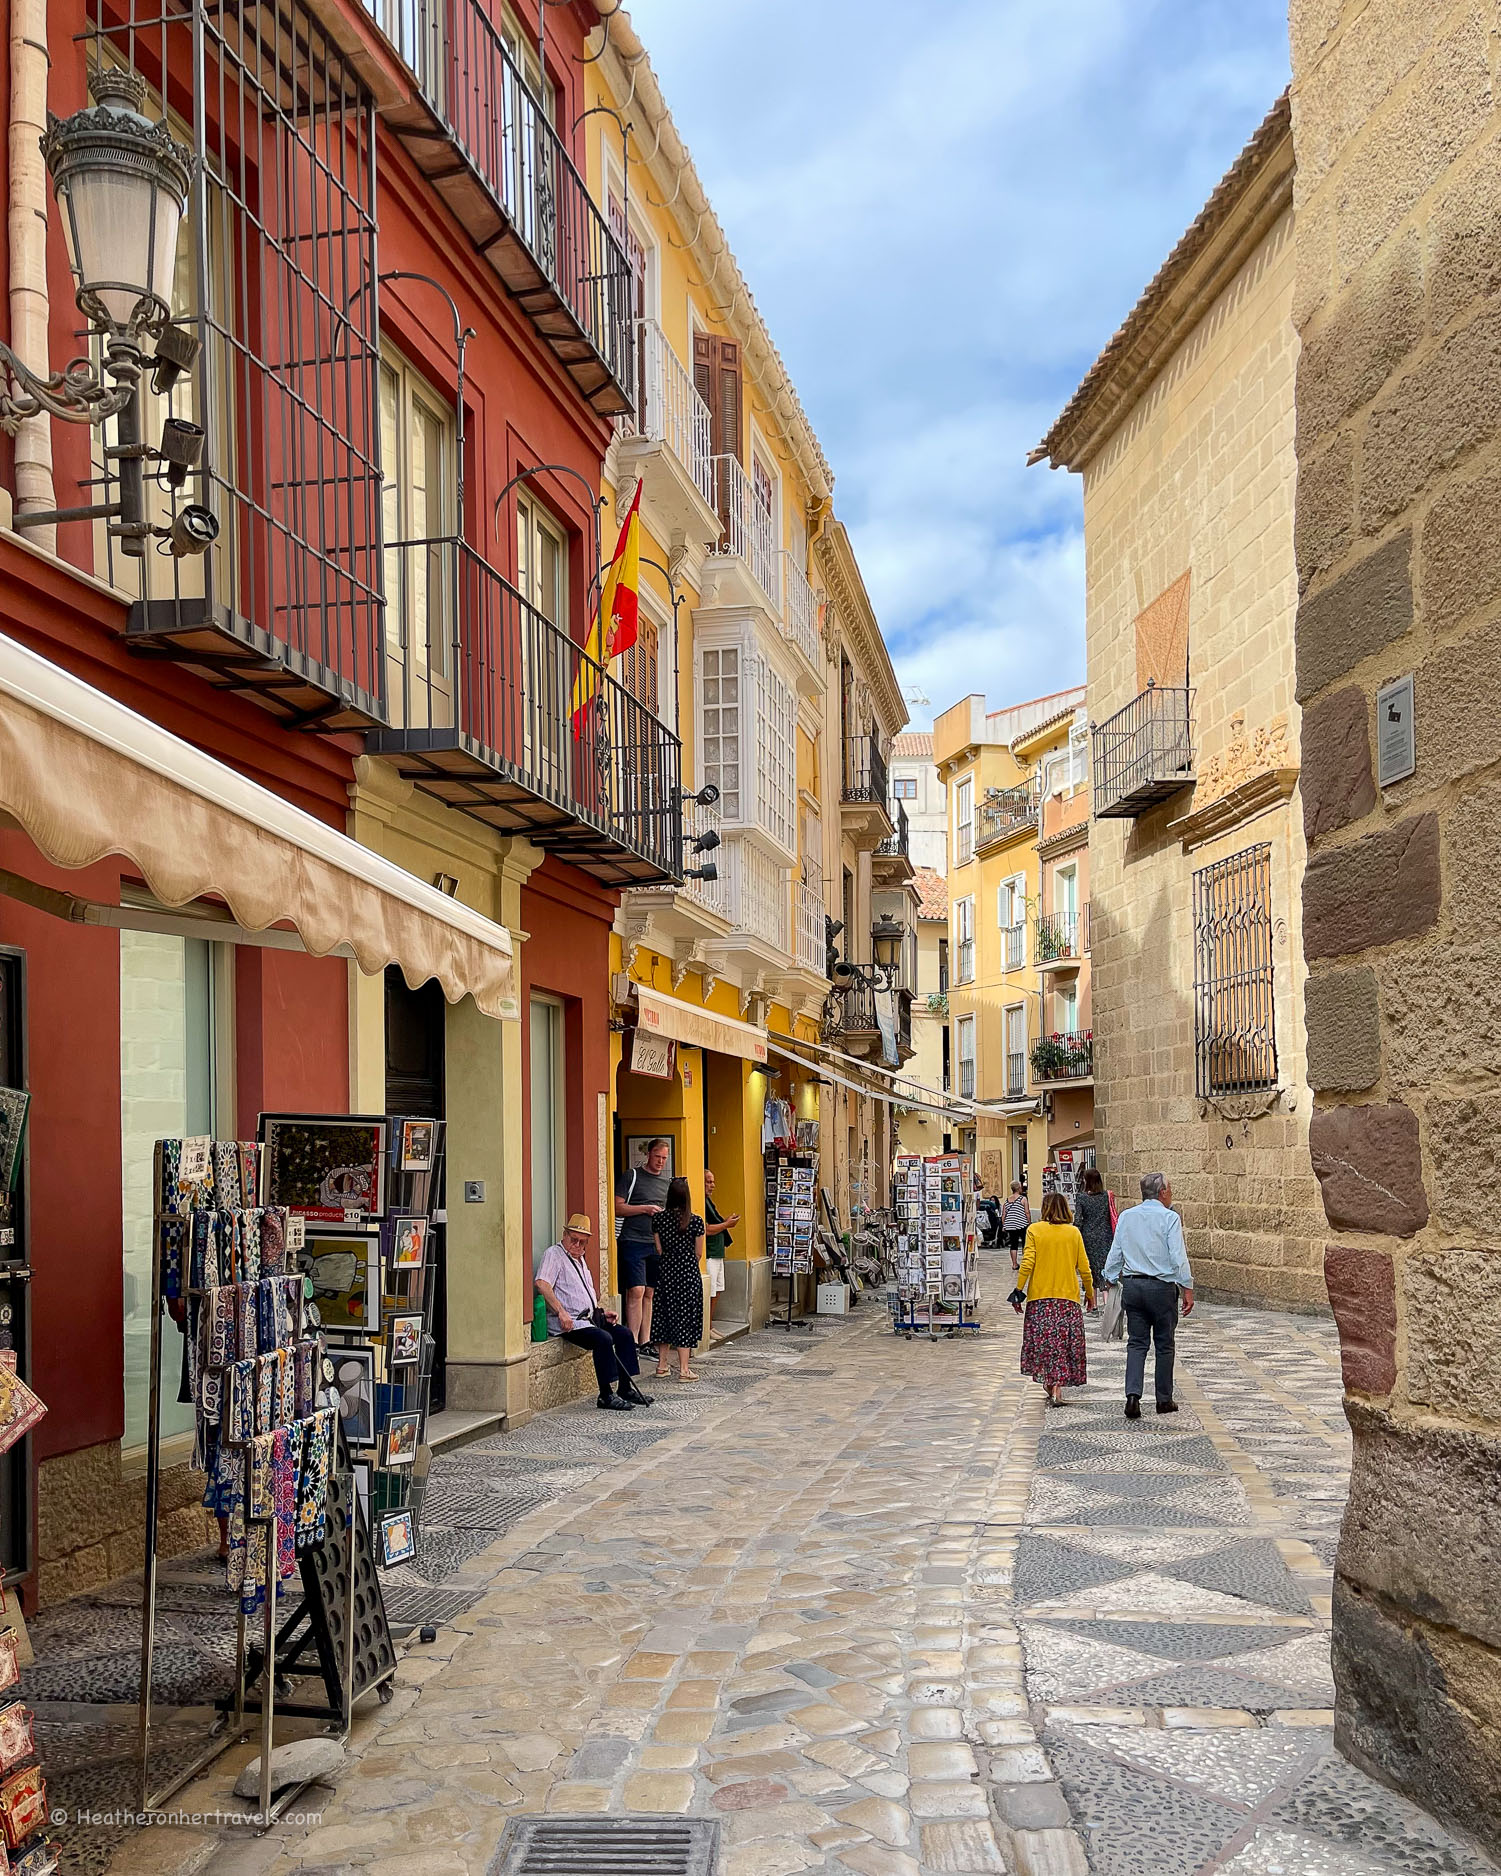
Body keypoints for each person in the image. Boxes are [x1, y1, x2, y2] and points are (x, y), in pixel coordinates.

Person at [534, 1214, 653, 1412]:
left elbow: (582, 1293)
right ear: (565, 1235)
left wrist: (602, 1313)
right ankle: (605, 1395)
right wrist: (561, 1312)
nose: (577, 1246)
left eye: (582, 1242)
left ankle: (625, 1388)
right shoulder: (554, 1255)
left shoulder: (580, 1259)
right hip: (569, 1322)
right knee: (603, 1339)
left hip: (589, 1318)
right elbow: (542, 1284)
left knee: (624, 1334)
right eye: (574, 1240)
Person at [1102, 1171, 1195, 1418]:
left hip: (1133, 1286)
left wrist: (1109, 1277)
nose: (1171, 1194)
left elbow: (1116, 1251)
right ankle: (1163, 1399)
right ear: (1162, 1192)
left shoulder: (1127, 1217)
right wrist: (1187, 1287)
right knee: (1164, 1344)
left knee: (1137, 1343)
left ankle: (1133, 1396)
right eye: (1170, 1189)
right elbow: (1178, 1256)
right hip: (1161, 1288)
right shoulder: (1169, 1218)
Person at [1015, 1191, 1095, 1405]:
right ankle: (1057, 1388)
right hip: (1067, 1299)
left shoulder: (1035, 1230)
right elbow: (1084, 1268)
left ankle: (1051, 1384)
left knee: (1045, 1344)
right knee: (1063, 1345)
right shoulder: (1073, 1233)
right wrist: (1090, 1293)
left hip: (1040, 1299)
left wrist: (1018, 1290)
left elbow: (1028, 1262)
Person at [614, 1138, 671, 1356]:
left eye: (664, 1158)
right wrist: (645, 1209)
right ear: (648, 1154)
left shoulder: (666, 1184)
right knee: (635, 1290)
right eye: (657, 1157)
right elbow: (618, 1208)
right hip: (633, 1240)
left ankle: (645, 1341)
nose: (660, 1162)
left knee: (649, 1292)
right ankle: (632, 1341)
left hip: (655, 1243)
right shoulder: (632, 1175)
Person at [650, 1176, 706, 1382]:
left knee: (663, 1316)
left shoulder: (658, 1219)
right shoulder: (696, 1221)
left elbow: (658, 1248)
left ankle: (662, 1365)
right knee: (685, 1318)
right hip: (688, 1275)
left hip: (666, 1273)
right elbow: (698, 1252)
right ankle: (684, 1369)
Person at [703, 1168, 740, 1341]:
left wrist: (726, 1222)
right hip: (709, 1252)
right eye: (708, 1182)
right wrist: (726, 1225)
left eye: (712, 1181)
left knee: (717, 1290)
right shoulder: (701, 1203)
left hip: (718, 1252)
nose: (712, 1185)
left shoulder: (709, 1202)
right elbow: (706, 1229)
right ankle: (704, 1326)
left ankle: (710, 1324)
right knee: (709, 1292)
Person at [1071, 1167, 1115, 1307]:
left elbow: (1078, 1220)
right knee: (1104, 1267)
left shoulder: (1082, 1198)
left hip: (1088, 1237)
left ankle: (1093, 1303)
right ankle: (1107, 1301)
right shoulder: (1106, 1196)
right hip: (1105, 1235)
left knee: (1090, 1268)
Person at [998, 1182, 1031, 1269]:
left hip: (1011, 1225)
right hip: (1022, 1223)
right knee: (1025, 1242)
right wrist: (1029, 1222)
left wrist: (1004, 1225)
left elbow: (1004, 1214)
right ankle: (1025, 1262)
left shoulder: (1007, 1200)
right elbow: (1027, 1212)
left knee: (1014, 1244)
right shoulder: (1023, 1199)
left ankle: (1014, 1264)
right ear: (1019, 1188)